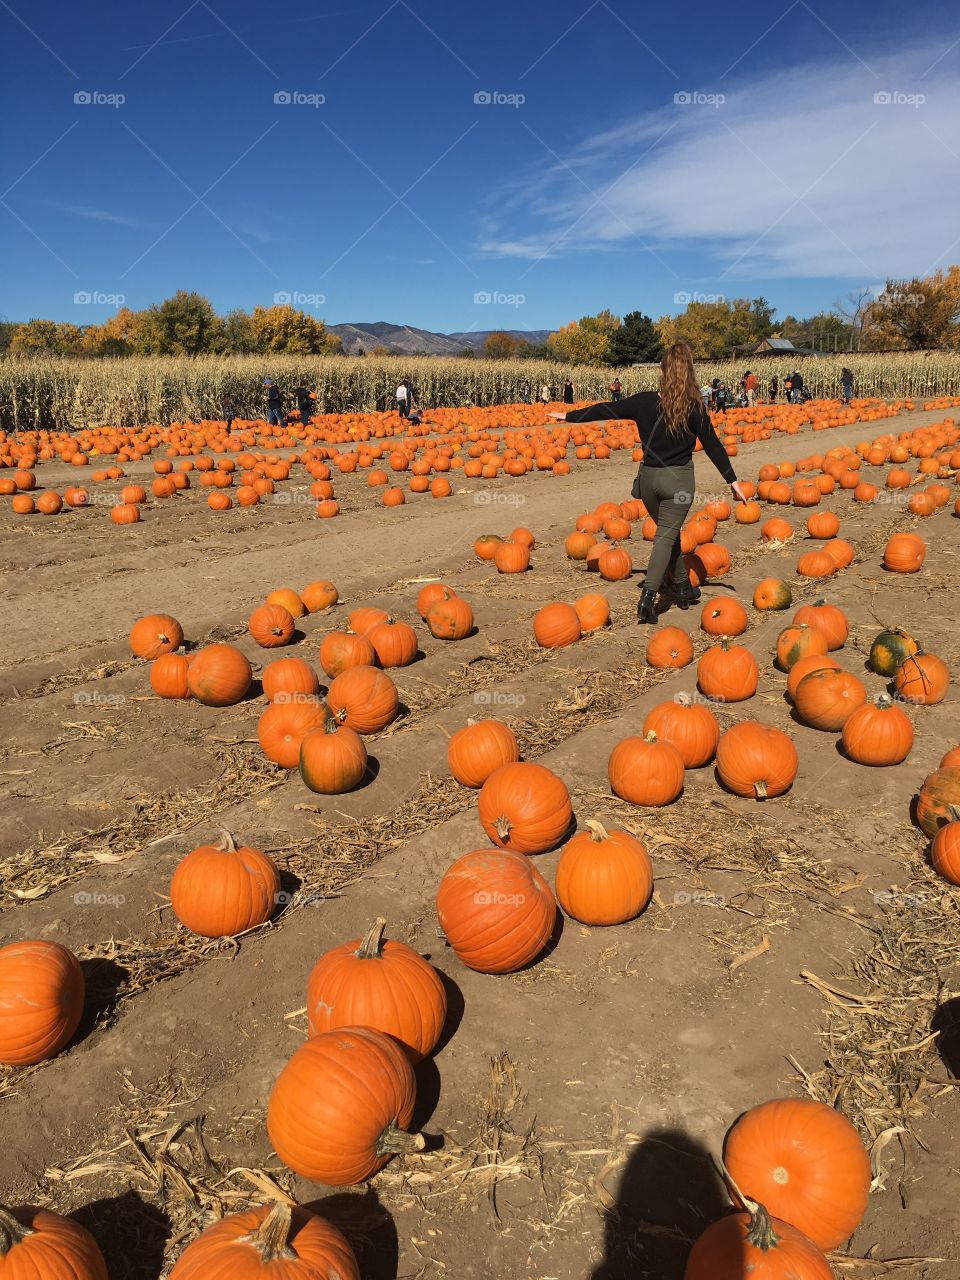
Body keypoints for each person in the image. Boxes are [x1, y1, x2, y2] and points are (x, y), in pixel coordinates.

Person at [550, 342, 749, 624]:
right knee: (666, 537)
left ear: (663, 371)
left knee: (670, 536)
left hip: (648, 482)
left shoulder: (643, 401)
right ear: (690, 372)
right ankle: (648, 598)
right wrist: (733, 481)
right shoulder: (694, 408)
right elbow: (714, 446)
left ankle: (683, 587)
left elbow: (607, 409)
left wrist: (569, 416)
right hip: (677, 483)